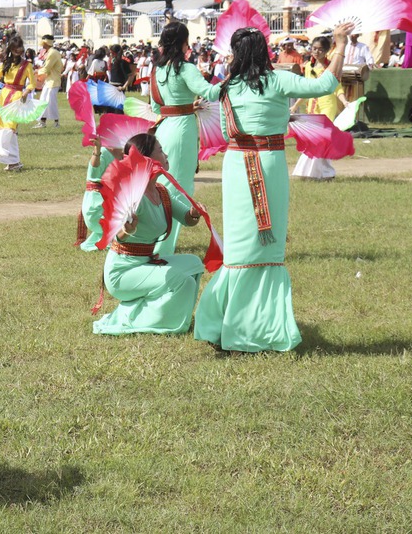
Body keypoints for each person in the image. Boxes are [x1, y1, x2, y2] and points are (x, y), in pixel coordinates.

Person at [194, 23, 354, 353]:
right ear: (265, 52)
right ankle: (262, 327)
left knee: (239, 248)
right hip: (269, 162)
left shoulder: (227, 87)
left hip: (237, 164)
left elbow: (219, 122)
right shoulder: (278, 80)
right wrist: (339, 44)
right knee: (267, 247)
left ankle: (223, 323)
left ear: (236, 54)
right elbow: (326, 83)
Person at [93, 133, 205, 336]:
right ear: (147, 159)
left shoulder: (161, 191)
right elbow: (117, 234)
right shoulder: (133, 195)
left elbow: (188, 220)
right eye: (161, 150)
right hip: (122, 274)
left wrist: (194, 213)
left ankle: (156, 312)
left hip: (145, 264)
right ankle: (135, 317)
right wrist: (127, 229)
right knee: (184, 281)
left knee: (194, 264)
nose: (166, 154)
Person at [148, 21, 222, 257]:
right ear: (184, 42)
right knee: (179, 187)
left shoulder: (157, 69)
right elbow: (210, 92)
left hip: (165, 128)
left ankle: (152, 239)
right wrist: (232, 80)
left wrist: (185, 104)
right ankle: (162, 249)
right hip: (183, 130)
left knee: (163, 185)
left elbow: (155, 105)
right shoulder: (185, 68)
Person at [291, 36, 349, 180]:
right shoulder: (309, 66)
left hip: (327, 107)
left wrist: (345, 101)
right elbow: (306, 89)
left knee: (321, 140)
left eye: (320, 49)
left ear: (327, 51)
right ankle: (316, 173)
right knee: (313, 140)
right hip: (312, 106)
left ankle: (324, 172)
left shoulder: (330, 68)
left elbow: (337, 88)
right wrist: (295, 106)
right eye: (314, 48)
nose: (316, 52)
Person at [0, 35, 33, 172]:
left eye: (19, 47)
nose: (17, 50)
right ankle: (14, 161)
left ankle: (7, 156)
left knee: (10, 127)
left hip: (16, 97)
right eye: (15, 47)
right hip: (4, 95)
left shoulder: (27, 65)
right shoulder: (6, 63)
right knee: (2, 127)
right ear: (11, 48)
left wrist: (26, 92)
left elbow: (32, 83)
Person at [32, 34, 63, 128]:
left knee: (51, 101)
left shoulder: (52, 53)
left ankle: (56, 122)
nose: (42, 45)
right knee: (43, 101)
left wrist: (35, 72)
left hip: (53, 81)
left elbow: (46, 68)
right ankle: (42, 122)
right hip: (49, 81)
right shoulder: (50, 52)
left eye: (44, 43)